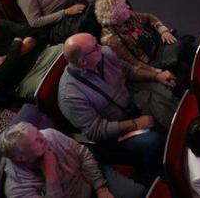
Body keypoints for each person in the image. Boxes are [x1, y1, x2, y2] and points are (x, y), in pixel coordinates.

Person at [57, 33, 173, 177]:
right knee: (154, 141)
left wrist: (156, 76)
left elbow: (128, 70)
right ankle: (158, 175)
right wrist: (135, 124)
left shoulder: (104, 54)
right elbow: (96, 130)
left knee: (169, 104)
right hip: (116, 132)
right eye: (95, 47)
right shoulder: (70, 96)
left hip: (132, 103)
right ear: (83, 61)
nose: (101, 47)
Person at [0, 122, 146, 198]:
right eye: (36, 141)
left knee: (138, 194)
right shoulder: (16, 190)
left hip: (89, 179)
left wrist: (100, 187)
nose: (43, 138)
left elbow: (84, 155)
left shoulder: (50, 135)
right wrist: (52, 179)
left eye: (38, 132)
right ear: (21, 157)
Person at [94, 0, 188, 78]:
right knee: (182, 70)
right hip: (152, 62)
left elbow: (149, 17)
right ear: (114, 15)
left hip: (159, 44)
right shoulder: (111, 40)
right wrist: (157, 73)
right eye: (123, 7)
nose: (128, 7)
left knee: (187, 49)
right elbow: (133, 62)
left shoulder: (128, 15)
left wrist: (163, 30)